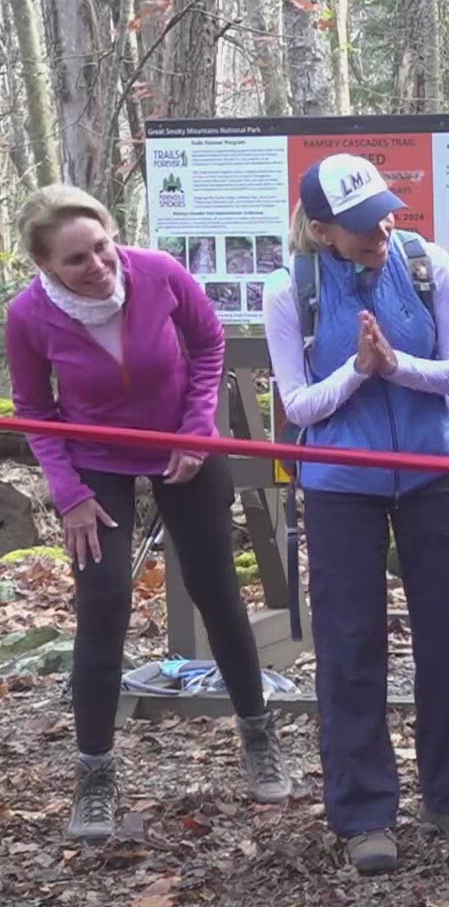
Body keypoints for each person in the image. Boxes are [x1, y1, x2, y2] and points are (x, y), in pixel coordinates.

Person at [5, 186, 292, 844]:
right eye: (77, 259)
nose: (98, 264)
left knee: (218, 590)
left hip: (184, 448)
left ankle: (258, 735)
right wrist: (69, 494)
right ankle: (95, 775)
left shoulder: (159, 273)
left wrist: (197, 430)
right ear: (46, 266)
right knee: (102, 604)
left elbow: (209, 345)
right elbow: (33, 411)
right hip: (96, 459)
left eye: (102, 245)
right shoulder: (28, 315)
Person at [263, 154, 449, 874]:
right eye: (363, 225)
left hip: (432, 474)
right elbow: (298, 406)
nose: (382, 231)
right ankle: (364, 813)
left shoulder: (428, 264)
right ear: (323, 228)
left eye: (386, 213)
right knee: (351, 644)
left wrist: (398, 367)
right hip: (340, 485)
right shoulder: (287, 289)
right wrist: (358, 371)